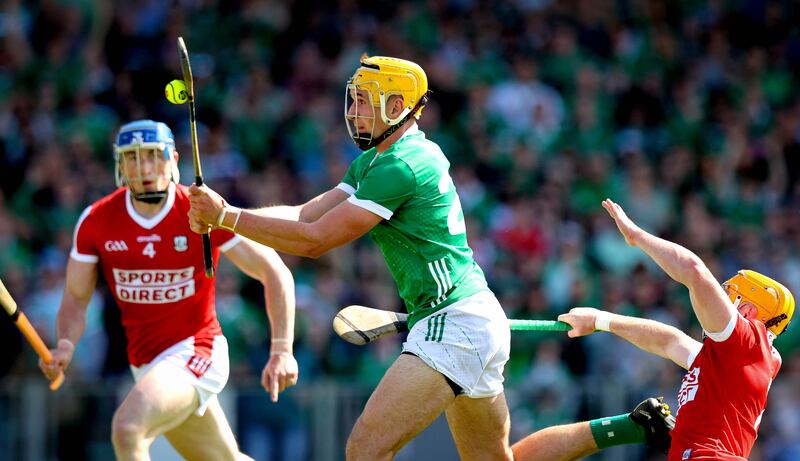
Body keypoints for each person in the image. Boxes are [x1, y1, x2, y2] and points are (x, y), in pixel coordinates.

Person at [186, 55, 673, 461]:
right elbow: (302, 213)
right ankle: (628, 427)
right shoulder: (381, 160)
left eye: (363, 101)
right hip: (474, 316)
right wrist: (228, 214)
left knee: (364, 451)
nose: (353, 111)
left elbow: (314, 241)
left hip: (453, 322)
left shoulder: (399, 167)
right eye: (352, 99)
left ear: (396, 107)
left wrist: (226, 218)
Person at [38, 120, 299, 461]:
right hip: (146, 364)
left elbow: (275, 271)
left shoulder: (201, 210)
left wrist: (281, 349)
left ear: (173, 160)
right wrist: (66, 345)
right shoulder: (96, 220)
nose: (144, 168)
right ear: (119, 165)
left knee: (127, 427)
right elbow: (75, 297)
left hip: (196, 351)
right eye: (132, 158)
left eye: (153, 156)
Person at [557, 198, 794, 460]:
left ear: (748, 312)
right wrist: (601, 320)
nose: (720, 299)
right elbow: (669, 341)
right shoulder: (738, 358)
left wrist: (636, 237)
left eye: (729, 295)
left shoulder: (744, 340)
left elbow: (693, 271)